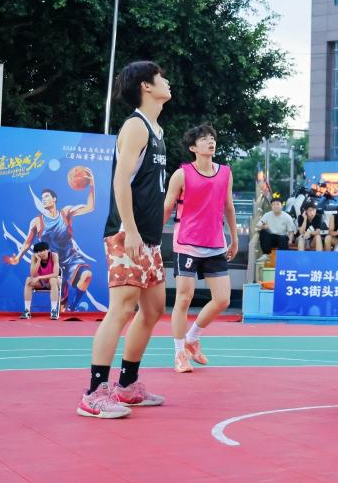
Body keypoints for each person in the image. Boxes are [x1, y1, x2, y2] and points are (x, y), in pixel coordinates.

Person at [77, 61, 170, 419]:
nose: (167, 82)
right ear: (146, 86)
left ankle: (127, 385)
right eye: (161, 78)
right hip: (127, 233)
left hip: (148, 238)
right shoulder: (136, 126)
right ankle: (94, 393)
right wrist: (129, 229)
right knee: (122, 309)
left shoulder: (157, 129)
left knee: (153, 309)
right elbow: (120, 181)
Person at [163, 124, 238, 374]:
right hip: (186, 242)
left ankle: (192, 338)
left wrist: (234, 238)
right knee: (184, 298)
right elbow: (167, 207)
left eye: (212, 138)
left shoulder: (225, 173)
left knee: (222, 299)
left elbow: (228, 206)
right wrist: (151, 238)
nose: (210, 142)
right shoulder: (181, 174)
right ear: (193, 148)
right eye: (204, 139)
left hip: (215, 242)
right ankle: (179, 353)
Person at [7, 167, 96, 311]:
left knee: (87, 276)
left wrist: (92, 185)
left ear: (54, 199)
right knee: (61, 308)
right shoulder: (37, 221)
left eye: (47, 196)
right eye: (42, 198)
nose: (44, 199)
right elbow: (28, 243)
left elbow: (90, 207)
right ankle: (63, 309)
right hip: (53, 263)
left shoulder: (66, 212)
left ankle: (73, 307)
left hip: (71, 257)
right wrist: (18, 257)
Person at [20, 241, 60, 320]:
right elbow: (32, 274)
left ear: (48, 250)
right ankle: (27, 311)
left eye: (43, 250)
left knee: (53, 280)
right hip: (41, 283)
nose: (41, 253)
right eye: (38, 251)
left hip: (52, 282)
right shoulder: (34, 257)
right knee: (28, 280)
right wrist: (38, 261)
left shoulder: (54, 256)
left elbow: (55, 274)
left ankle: (54, 311)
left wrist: (39, 278)